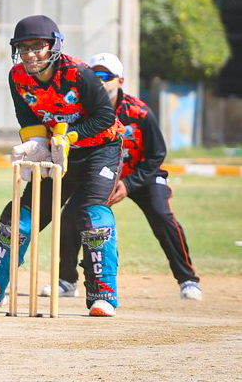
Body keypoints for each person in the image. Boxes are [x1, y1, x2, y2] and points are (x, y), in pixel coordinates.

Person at [0, 15, 125, 317]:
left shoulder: (79, 74)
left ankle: (103, 296)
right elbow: (28, 116)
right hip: (57, 150)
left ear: (53, 46)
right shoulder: (17, 77)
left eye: (37, 47)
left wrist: (69, 136)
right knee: (19, 218)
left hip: (99, 149)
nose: (30, 55)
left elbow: (105, 117)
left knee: (93, 215)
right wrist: (36, 144)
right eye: (23, 48)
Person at [40, 52, 202, 301]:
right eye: (94, 75)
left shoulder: (139, 112)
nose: (100, 81)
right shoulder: (79, 110)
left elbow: (157, 154)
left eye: (106, 76)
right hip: (99, 175)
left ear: (120, 81)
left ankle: (188, 280)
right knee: (71, 216)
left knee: (161, 215)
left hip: (139, 175)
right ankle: (67, 280)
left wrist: (128, 184)